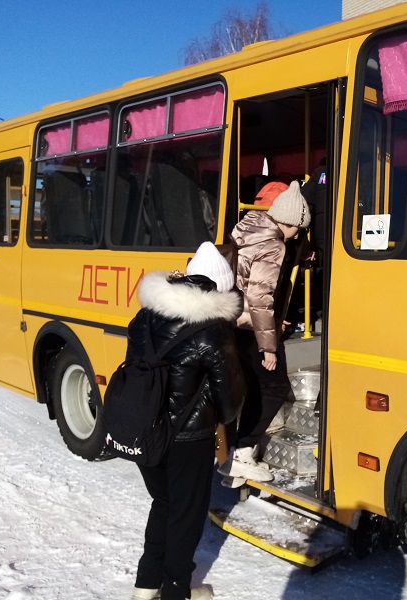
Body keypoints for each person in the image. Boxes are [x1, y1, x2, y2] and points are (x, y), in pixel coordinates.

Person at [128, 242, 244, 600]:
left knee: (163, 504)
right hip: (187, 439)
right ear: (220, 286)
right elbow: (231, 400)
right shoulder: (214, 330)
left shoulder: (146, 316)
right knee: (185, 517)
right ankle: (176, 591)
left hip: (145, 430)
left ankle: (146, 586)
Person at [220, 180, 310, 483]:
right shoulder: (274, 245)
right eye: (299, 227)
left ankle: (235, 454)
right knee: (274, 387)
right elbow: (260, 299)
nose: (298, 234)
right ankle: (242, 454)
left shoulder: (247, 226)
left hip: (230, 319)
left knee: (251, 387)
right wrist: (268, 347)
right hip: (249, 326)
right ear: (289, 221)